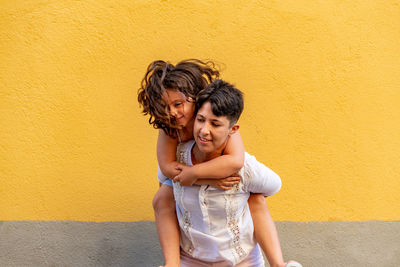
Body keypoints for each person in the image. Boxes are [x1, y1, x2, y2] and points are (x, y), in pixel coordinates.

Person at [138, 59, 300, 267]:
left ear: (195, 101)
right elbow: (167, 168)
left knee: (255, 197)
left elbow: (236, 161)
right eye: (165, 106)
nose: (172, 113)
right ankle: (172, 263)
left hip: (197, 179)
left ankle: (278, 263)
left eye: (178, 104)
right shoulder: (169, 129)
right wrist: (202, 179)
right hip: (179, 177)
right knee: (162, 197)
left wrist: (199, 175)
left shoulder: (219, 126)